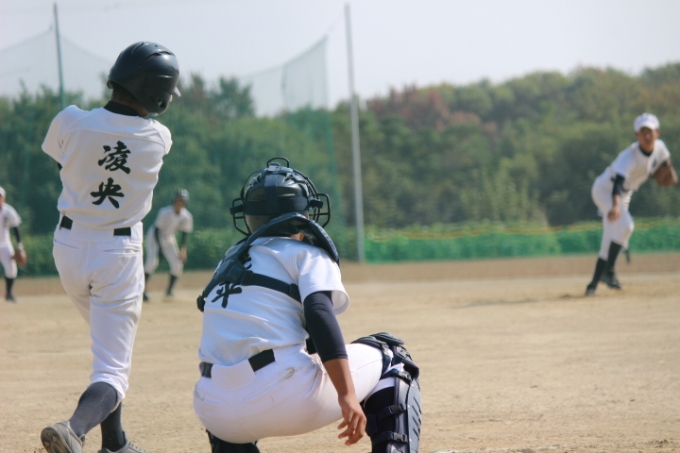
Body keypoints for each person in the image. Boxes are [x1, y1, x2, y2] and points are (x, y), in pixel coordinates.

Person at [192, 157, 422, 453]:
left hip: (212, 408)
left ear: (248, 215)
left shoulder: (229, 259)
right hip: (282, 396)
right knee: (393, 355)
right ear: (304, 214)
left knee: (237, 381)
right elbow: (318, 314)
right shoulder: (306, 254)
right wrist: (347, 394)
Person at [39, 41, 180, 453]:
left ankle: (115, 444)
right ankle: (74, 429)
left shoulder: (69, 120)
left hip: (68, 246)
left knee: (107, 354)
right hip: (116, 256)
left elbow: (64, 163)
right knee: (113, 368)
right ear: (156, 94)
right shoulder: (159, 137)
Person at [585, 113, 676, 296]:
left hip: (624, 194)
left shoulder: (660, 147)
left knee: (612, 235)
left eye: (650, 131)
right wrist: (615, 206)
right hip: (605, 191)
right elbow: (617, 184)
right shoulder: (629, 157)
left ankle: (593, 284)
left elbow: (666, 163)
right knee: (626, 225)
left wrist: (670, 171)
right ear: (636, 135)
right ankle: (608, 273)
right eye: (643, 132)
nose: (647, 135)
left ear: (657, 133)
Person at [143, 188, 193, 302]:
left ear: (186, 202)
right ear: (173, 201)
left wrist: (183, 250)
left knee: (177, 264)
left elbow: (185, 233)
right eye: (178, 200)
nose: (180, 203)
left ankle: (169, 291)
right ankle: (142, 291)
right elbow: (157, 230)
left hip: (169, 238)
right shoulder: (164, 212)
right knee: (152, 263)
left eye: (182, 201)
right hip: (154, 237)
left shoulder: (187, 216)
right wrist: (159, 248)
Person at [0, 186, 24, 303]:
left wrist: (19, 246)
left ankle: (9, 294)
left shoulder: (8, 211)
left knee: (11, 269)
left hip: (4, 244)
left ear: (3, 198)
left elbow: (16, 228)